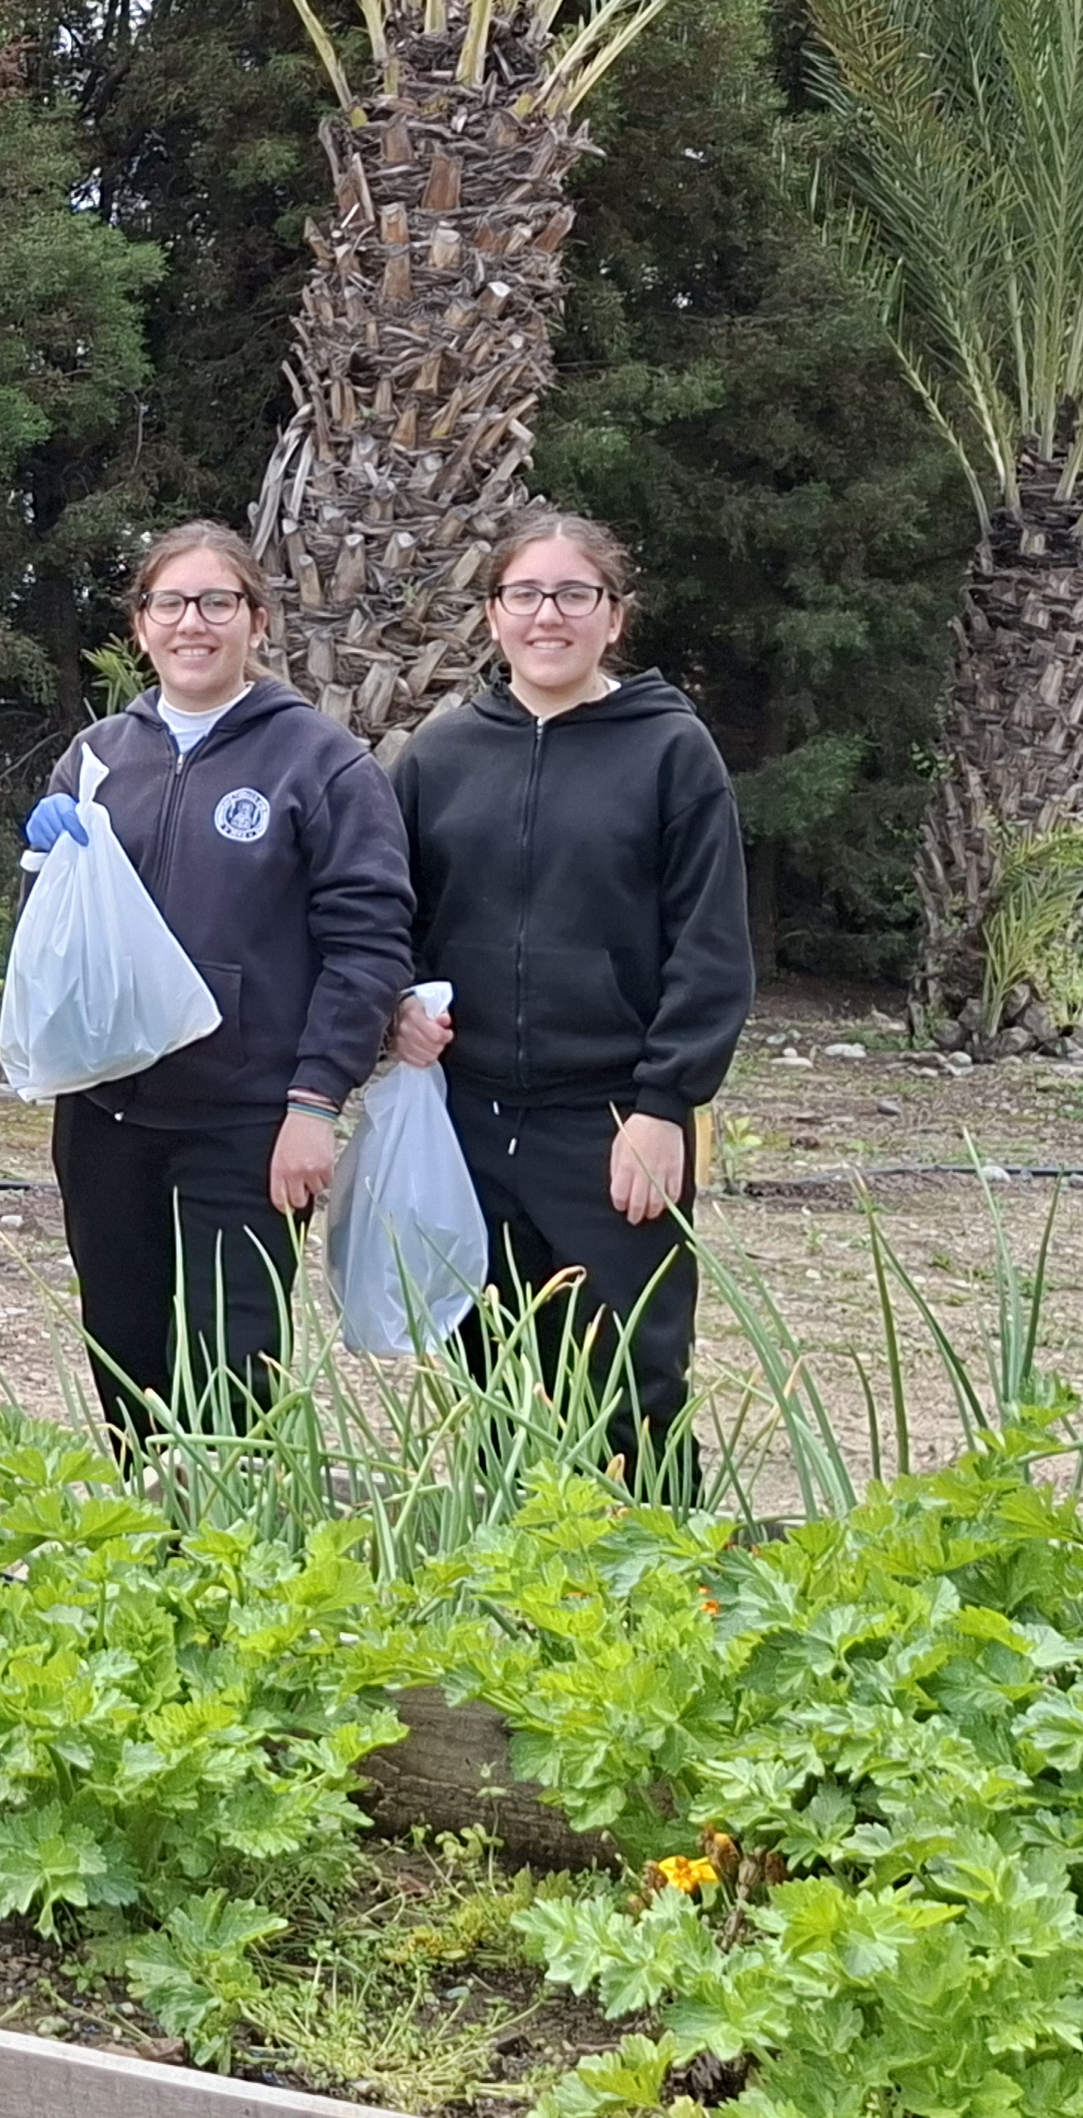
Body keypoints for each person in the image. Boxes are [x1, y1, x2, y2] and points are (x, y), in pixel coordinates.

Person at [387, 514, 750, 1491]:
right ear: (493, 616)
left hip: (614, 1125)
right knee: (493, 1380)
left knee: (631, 1383)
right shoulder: (437, 757)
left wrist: (665, 1107)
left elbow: (710, 948)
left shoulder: (672, 753)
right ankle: (508, 1567)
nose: (547, 615)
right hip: (467, 1124)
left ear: (613, 618)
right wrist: (398, 1007)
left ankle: (657, 1566)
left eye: (573, 594)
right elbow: (388, 916)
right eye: (525, 594)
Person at [26, 522, 411, 1439]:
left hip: (248, 1122)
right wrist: (41, 866)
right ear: (140, 625)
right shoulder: (96, 757)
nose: (191, 623)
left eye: (215, 602)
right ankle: (146, 1519)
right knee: (125, 1351)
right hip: (106, 1115)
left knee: (235, 1368)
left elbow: (368, 943)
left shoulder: (321, 763)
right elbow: (57, 941)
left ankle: (229, 1523)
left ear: (257, 621)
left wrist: (314, 1102)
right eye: (169, 603)